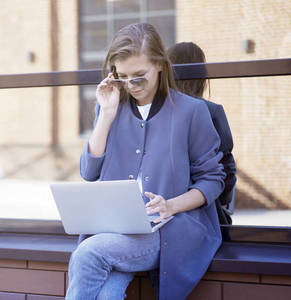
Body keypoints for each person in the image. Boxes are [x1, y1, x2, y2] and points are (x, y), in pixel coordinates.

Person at [67, 23, 225, 300]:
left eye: (140, 76)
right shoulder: (110, 108)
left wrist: (170, 205)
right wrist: (105, 114)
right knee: (105, 294)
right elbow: (89, 171)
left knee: (89, 253)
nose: (131, 85)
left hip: (169, 228)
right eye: (123, 76)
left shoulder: (192, 111)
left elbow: (213, 180)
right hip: (116, 226)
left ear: (160, 66)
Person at [167, 42, 237, 225]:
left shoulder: (159, 111)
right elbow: (226, 167)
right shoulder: (211, 110)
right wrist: (221, 203)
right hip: (203, 210)